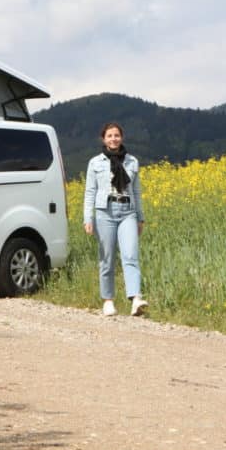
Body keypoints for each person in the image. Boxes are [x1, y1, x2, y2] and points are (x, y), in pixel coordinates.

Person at [83, 122, 147, 317]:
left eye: (117, 135)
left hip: (128, 211)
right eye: (110, 136)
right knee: (107, 259)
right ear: (104, 139)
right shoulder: (95, 163)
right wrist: (88, 217)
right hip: (105, 212)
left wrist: (140, 217)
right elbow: (90, 192)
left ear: (122, 138)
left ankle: (135, 298)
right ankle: (108, 301)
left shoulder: (132, 162)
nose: (113, 139)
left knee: (130, 255)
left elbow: (136, 191)